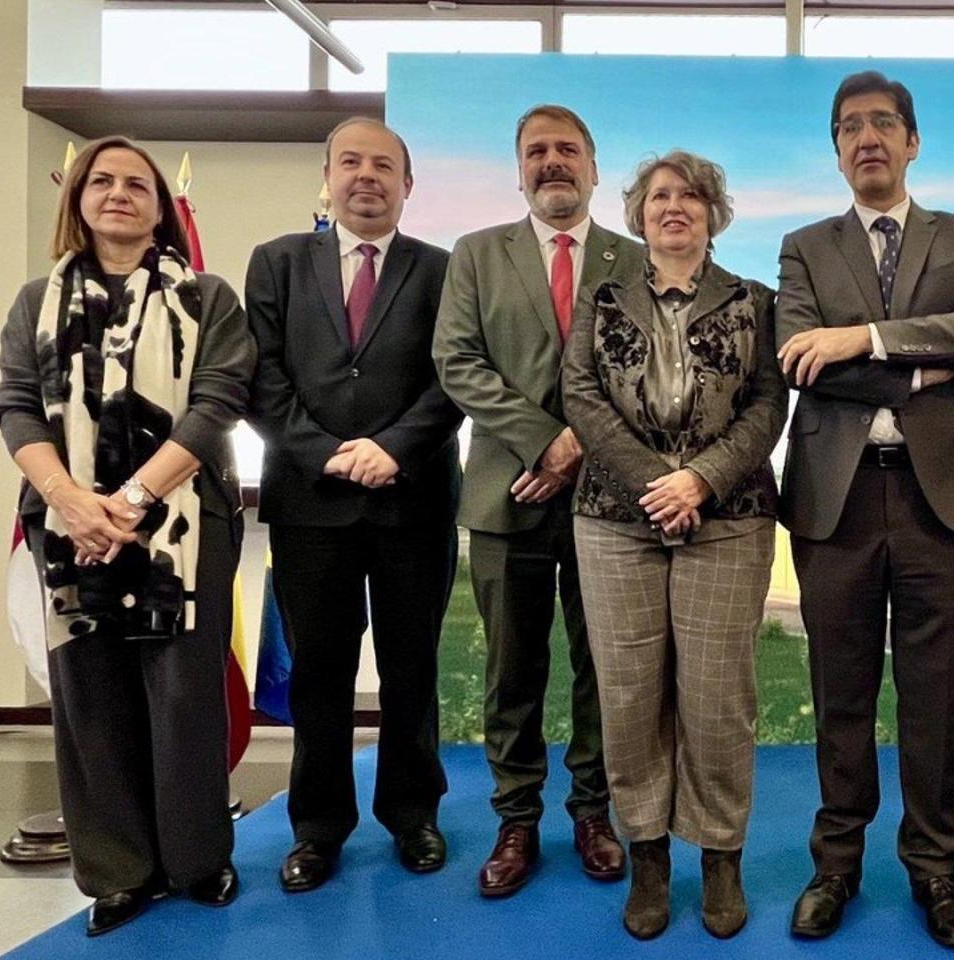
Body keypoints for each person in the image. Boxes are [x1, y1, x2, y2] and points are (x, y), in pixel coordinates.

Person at [0, 136, 254, 936]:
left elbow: (218, 402)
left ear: (160, 206)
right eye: (100, 181)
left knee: (184, 700)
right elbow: (15, 404)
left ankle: (198, 861)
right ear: (77, 198)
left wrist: (133, 498)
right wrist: (71, 500)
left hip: (181, 528)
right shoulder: (37, 302)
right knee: (90, 700)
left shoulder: (206, 297)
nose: (118, 193)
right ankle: (117, 871)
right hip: (68, 527)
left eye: (135, 183)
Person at [777, 70, 954, 948]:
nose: (866, 138)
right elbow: (799, 356)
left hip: (940, 498)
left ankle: (935, 869)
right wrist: (926, 359)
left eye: (883, 124)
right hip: (834, 496)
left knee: (934, 695)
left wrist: (865, 340)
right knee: (841, 690)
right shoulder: (804, 246)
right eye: (849, 128)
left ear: (913, 141)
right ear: (836, 150)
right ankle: (835, 865)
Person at [562, 150, 786, 941]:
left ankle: (720, 855)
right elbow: (581, 398)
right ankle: (649, 855)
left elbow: (767, 407)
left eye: (691, 196)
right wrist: (657, 483)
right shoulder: (604, 298)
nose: (674, 206)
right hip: (614, 520)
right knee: (628, 697)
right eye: (660, 195)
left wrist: (699, 482)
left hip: (727, 518)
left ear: (714, 213)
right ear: (639, 212)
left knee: (717, 698)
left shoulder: (756, 301)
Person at [245, 117, 462, 892]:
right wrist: (330, 454)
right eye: (351, 163)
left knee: (412, 669)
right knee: (319, 676)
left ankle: (414, 816)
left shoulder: (444, 269)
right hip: (311, 504)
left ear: (408, 185)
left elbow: (454, 379)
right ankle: (318, 828)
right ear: (327, 177)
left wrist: (392, 448)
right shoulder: (276, 263)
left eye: (384, 166)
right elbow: (262, 377)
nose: (366, 176)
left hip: (414, 501)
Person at [434, 104, 642, 896]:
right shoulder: (478, 255)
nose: (552, 162)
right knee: (512, 671)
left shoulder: (633, 257)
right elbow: (458, 362)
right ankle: (517, 819)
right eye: (536, 152)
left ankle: (594, 813)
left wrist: (580, 445)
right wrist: (542, 441)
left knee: (604, 668)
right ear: (519, 169)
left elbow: (643, 368)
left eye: (567, 150)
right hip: (506, 495)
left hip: (612, 501)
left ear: (594, 166)